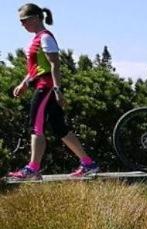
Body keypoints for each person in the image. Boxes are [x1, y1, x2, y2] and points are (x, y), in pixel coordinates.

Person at [6, 4, 99, 181]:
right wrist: (24, 83)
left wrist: (57, 90)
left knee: (36, 126)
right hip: (42, 83)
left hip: (46, 86)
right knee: (59, 127)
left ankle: (33, 168)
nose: (22, 25)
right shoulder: (36, 39)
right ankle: (88, 163)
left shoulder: (45, 38)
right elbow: (36, 68)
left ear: (36, 18)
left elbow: (55, 65)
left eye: (24, 21)